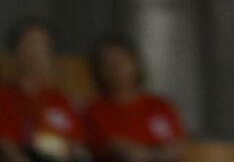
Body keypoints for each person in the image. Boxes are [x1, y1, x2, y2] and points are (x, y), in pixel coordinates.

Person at [84, 35, 186, 162]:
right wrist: (155, 153)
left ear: (135, 63)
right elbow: (120, 150)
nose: (116, 68)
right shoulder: (93, 111)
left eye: (122, 61)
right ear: (98, 70)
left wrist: (146, 153)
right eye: (108, 63)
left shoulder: (160, 105)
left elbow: (176, 148)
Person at [0, 19, 86, 162]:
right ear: (15, 53)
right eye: (29, 45)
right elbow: (5, 145)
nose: (35, 53)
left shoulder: (61, 100)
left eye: (43, 46)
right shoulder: (4, 97)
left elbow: (75, 144)